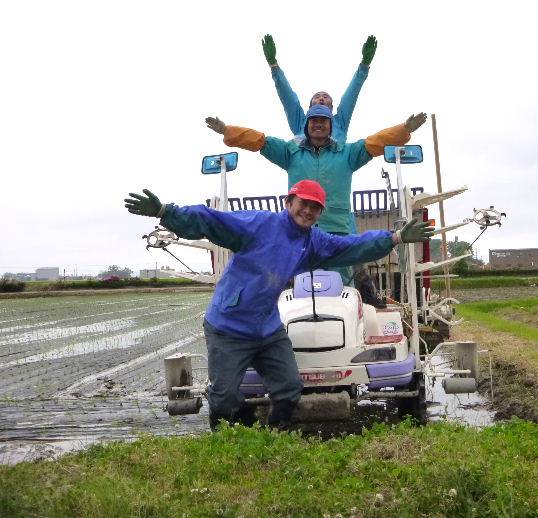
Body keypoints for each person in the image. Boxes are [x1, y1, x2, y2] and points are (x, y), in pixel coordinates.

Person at [124, 180, 434, 431]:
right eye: (304, 203)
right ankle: (228, 446)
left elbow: (350, 246)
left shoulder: (312, 241)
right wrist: (167, 211)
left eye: (315, 207)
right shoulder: (259, 224)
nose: (308, 211)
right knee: (225, 397)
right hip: (228, 327)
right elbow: (211, 220)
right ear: (289, 202)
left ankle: (274, 436)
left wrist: (393, 238)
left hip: (267, 330)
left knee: (288, 390)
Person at [205, 105, 426, 287]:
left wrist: (404, 129)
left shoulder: (348, 153)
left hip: (336, 233)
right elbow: (260, 141)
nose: (318, 124)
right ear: (306, 125)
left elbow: (377, 142)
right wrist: (228, 131)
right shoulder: (290, 153)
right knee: (298, 291)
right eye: (314, 120)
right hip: (299, 234)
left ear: (331, 126)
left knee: (340, 290)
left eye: (323, 120)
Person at [261, 34, 377, 142]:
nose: (321, 98)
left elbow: (350, 96)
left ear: (332, 107)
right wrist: (274, 65)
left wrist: (364, 66)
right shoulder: (301, 122)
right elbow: (288, 99)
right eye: (317, 97)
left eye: (326, 97)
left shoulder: (339, 122)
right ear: (310, 106)